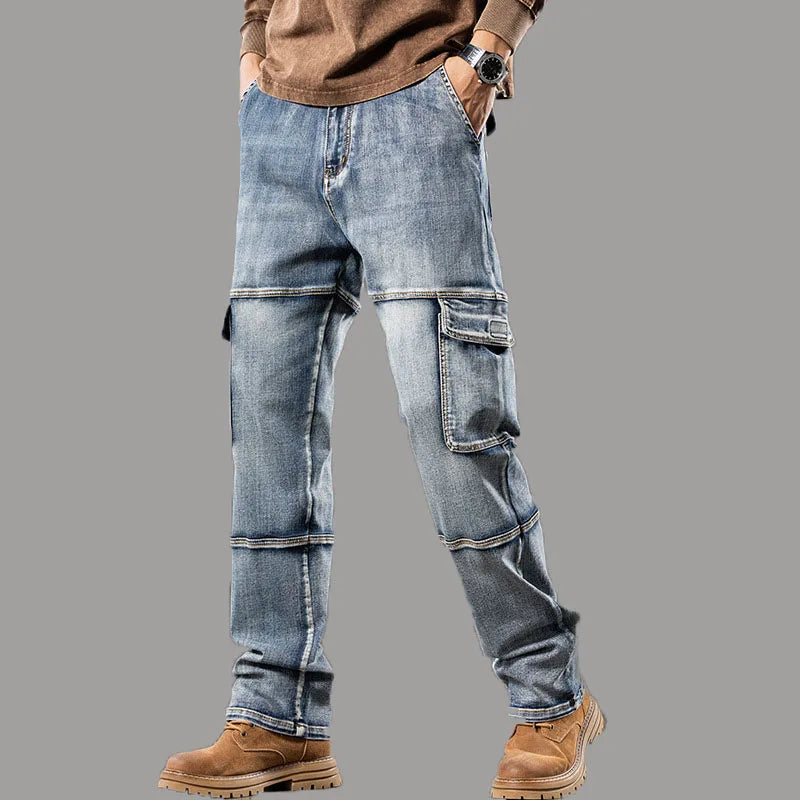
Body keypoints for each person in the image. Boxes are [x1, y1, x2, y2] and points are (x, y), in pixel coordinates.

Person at [158, 1, 605, 797]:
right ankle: (275, 714)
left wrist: (489, 54)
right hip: (280, 117)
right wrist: (254, 45)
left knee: (452, 424)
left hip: (421, 101)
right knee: (266, 438)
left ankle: (551, 697)